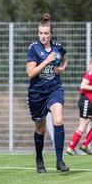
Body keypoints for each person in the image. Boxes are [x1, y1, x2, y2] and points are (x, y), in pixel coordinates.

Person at [26, 13, 70, 173]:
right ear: (38, 33)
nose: (43, 36)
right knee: (41, 130)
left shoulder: (58, 47)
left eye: (46, 33)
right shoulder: (33, 49)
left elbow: (64, 58)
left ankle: (59, 161)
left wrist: (62, 68)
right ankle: (39, 159)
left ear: (51, 33)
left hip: (54, 89)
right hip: (37, 94)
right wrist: (46, 61)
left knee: (58, 119)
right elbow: (30, 73)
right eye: (41, 33)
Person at [66, 56, 92, 155]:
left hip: (89, 103)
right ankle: (70, 147)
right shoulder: (90, 73)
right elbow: (82, 86)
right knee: (82, 126)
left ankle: (85, 145)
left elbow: (90, 87)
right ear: (90, 65)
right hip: (86, 102)